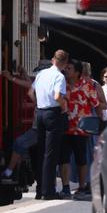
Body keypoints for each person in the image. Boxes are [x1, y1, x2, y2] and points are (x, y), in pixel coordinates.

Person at [31, 49, 68, 200]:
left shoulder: (41, 74)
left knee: (40, 152)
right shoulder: (59, 76)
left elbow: (30, 93)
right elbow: (58, 95)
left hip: (39, 113)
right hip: (53, 113)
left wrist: (39, 104)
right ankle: (49, 191)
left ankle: (39, 189)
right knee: (50, 153)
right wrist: (64, 107)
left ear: (53, 59)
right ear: (64, 63)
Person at [65, 60, 100, 200]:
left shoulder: (87, 86)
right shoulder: (62, 85)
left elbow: (97, 103)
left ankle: (81, 186)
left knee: (81, 159)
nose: (66, 70)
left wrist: (100, 121)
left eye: (69, 68)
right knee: (64, 159)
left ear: (77, 72)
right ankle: (66, 187)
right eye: (66, 68)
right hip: (65, 127)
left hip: (80, 129)